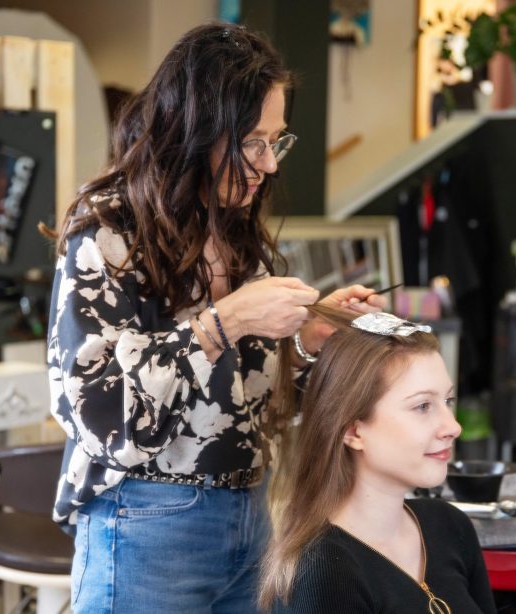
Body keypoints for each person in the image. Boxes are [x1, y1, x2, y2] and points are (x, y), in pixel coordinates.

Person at [45, 23, 384, 613]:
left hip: (249, 518)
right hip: (146, 520)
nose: (268, 165)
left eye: (276, 141)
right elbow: (100, 419)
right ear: (193, 129)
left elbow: (244, 402)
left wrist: (304, 342)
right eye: (251, 141)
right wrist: (222, 322)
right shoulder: (107, 237)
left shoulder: (234, 232)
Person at [259, 307, 497, 614]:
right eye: (423, 406)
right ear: (353, 430)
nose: (453, 427)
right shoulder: (324, 573)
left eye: (447, 401)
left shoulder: (450, 526)